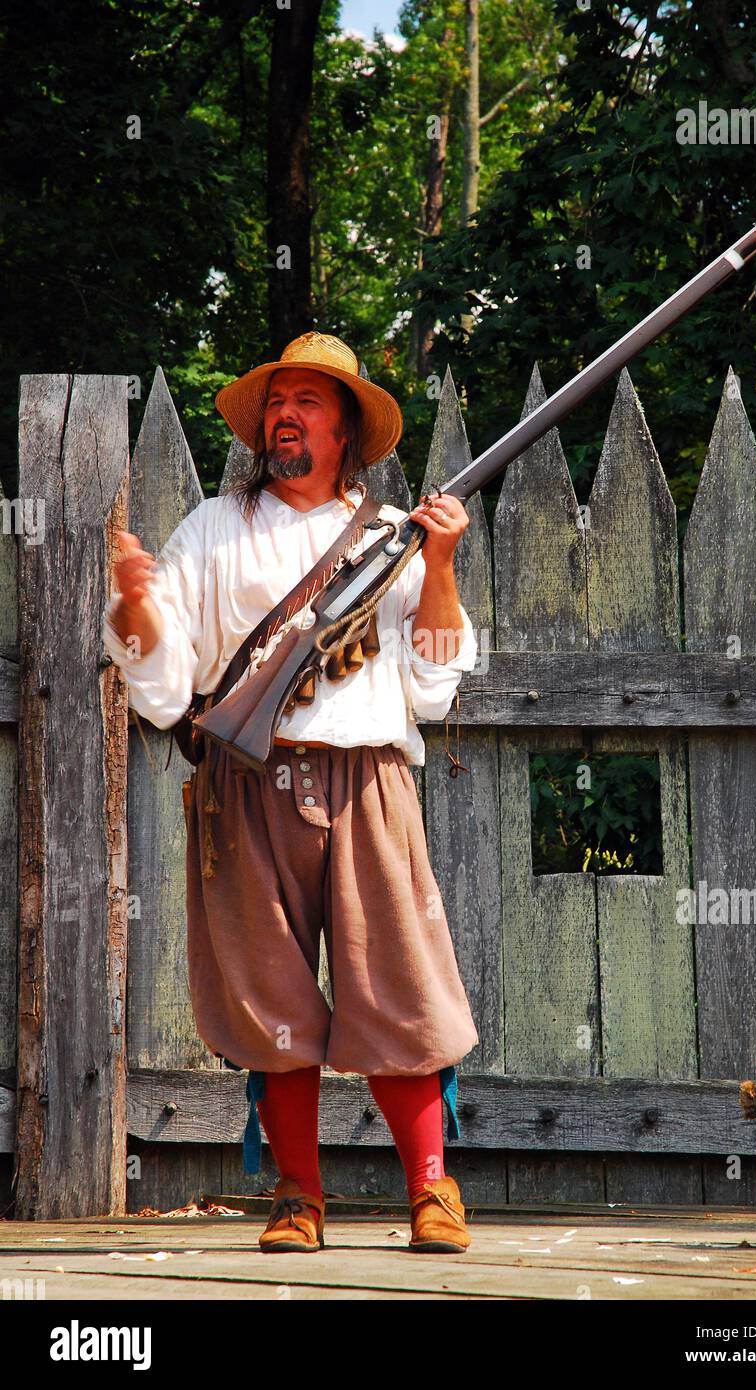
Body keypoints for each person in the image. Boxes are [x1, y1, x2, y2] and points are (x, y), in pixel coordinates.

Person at [102, 331, 480, 1255]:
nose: (286, 415)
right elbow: (161, 690)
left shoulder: (393, 539)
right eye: (279, 401)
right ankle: (298, 1196)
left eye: (309, 401)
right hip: (245, 789)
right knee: (271, 1006)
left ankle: (432, 1192)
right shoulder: (210, 531)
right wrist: (133, 605)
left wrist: (438, 565)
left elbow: (434, 686)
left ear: (347, 426)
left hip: (368, 783)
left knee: (400, 991)